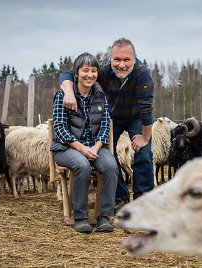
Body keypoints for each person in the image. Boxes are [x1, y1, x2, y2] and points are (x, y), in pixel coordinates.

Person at [59, 38, 154, 211]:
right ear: (110, 59)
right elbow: (68, 73)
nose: (122, 65)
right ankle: (120, 197)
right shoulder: (103, 70)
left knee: (144, 153)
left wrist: (145, 137)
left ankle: (143, 200)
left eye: (127, 60)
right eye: (117, 59)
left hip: (136, 117)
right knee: (108, 154)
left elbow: (146, 109)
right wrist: (68, 92)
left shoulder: (142, 74)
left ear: (135, 59)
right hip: (112, 116)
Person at [51, 52, 118, 233]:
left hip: (94, 146)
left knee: (111, 165)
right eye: (85, 71)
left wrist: (96, 147)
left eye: (93, 71)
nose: (90, 75)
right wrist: (81, 148)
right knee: (82, 165)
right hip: (67, 147)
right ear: (76, 74)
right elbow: (59, 128)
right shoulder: (62, 97)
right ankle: (80, 217)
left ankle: (104, 217)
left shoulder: (100, 98)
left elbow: (105, 127)